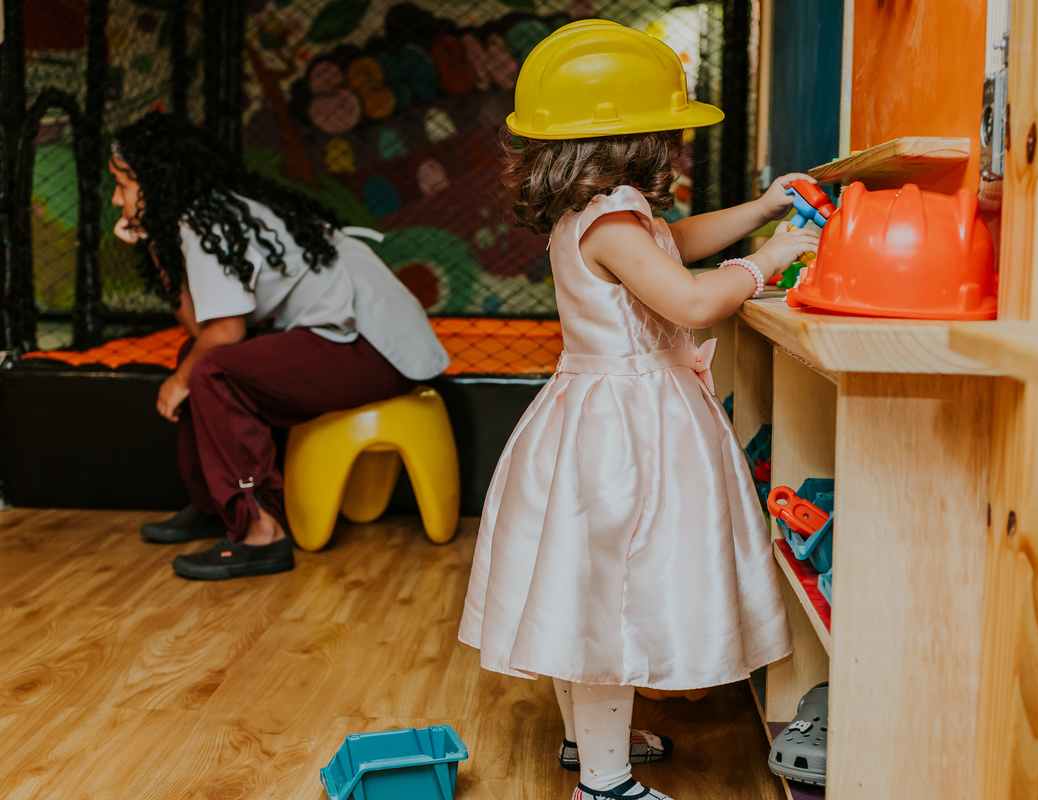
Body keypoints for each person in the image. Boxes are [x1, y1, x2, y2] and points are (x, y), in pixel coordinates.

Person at [457, 20, 822, 800]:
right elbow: (690, 293)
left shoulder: (608, 212)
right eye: (670, 135)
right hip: (625, 427)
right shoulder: (615, 224)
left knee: (586, 589)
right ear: (634, 142)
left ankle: (589, 739)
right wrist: (767, 263)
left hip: (605, 413)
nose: (677, 151)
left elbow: (679, 241)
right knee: (612, 599)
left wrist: (760, 210)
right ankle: (606, 782)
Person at [111, 113, 449, 581]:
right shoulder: (209, 213)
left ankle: (261, 533)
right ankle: (214, 503)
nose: (116, 199)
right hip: (348, 338)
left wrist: (177, 383)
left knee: (211, 371)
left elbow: (224, 334)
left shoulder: (207, 219)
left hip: (373, 346)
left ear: (155, 182)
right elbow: (200, 326)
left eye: (123, 184)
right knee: (196, 357)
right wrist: (154, 246)